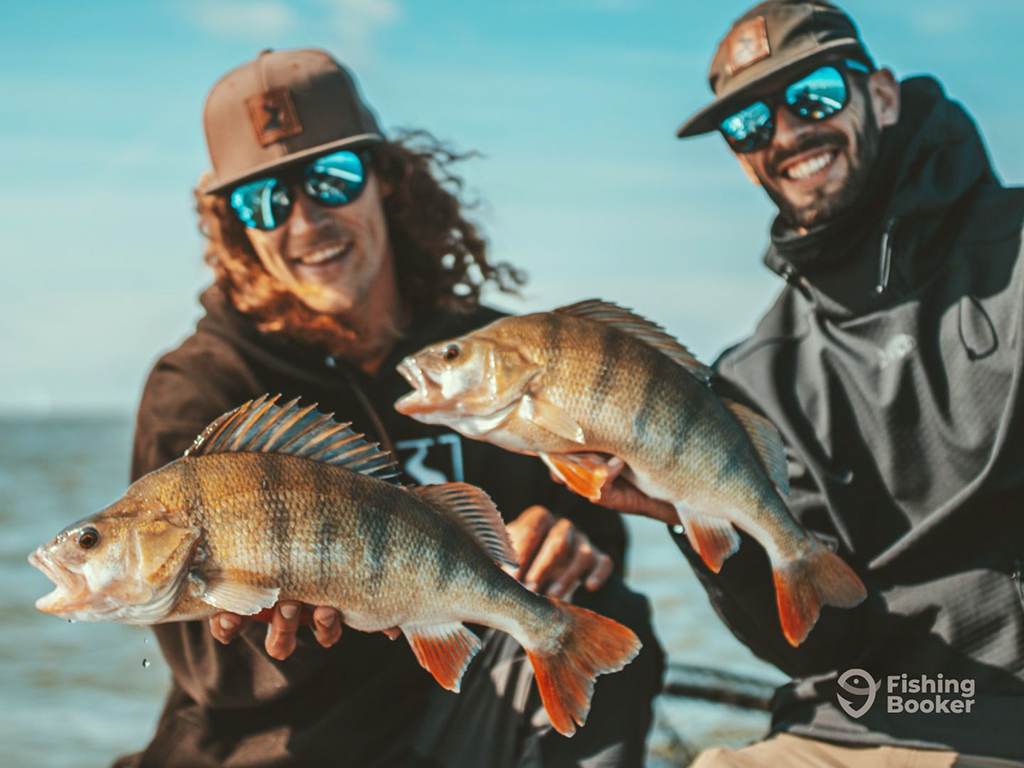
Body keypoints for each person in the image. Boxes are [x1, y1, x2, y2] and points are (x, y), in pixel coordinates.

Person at [118, 48, 662, 768]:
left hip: (454, 716)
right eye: (265, 200)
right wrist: (294, 598)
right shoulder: (204, 387)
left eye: (331, 178)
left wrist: (571, 536)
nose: (306, 221)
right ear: (235, 227)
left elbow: (597, 521)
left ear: (387, 180)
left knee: (610, 620)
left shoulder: (490, 360)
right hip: (276, 750)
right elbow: (208, 671)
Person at [580, 1, 1024, 766]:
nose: (785, 134)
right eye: (749, 125)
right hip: (851, 719)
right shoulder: (752, 377)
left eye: (813, 95)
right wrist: (694, 523)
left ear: (881, 95)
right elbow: (819, 646)